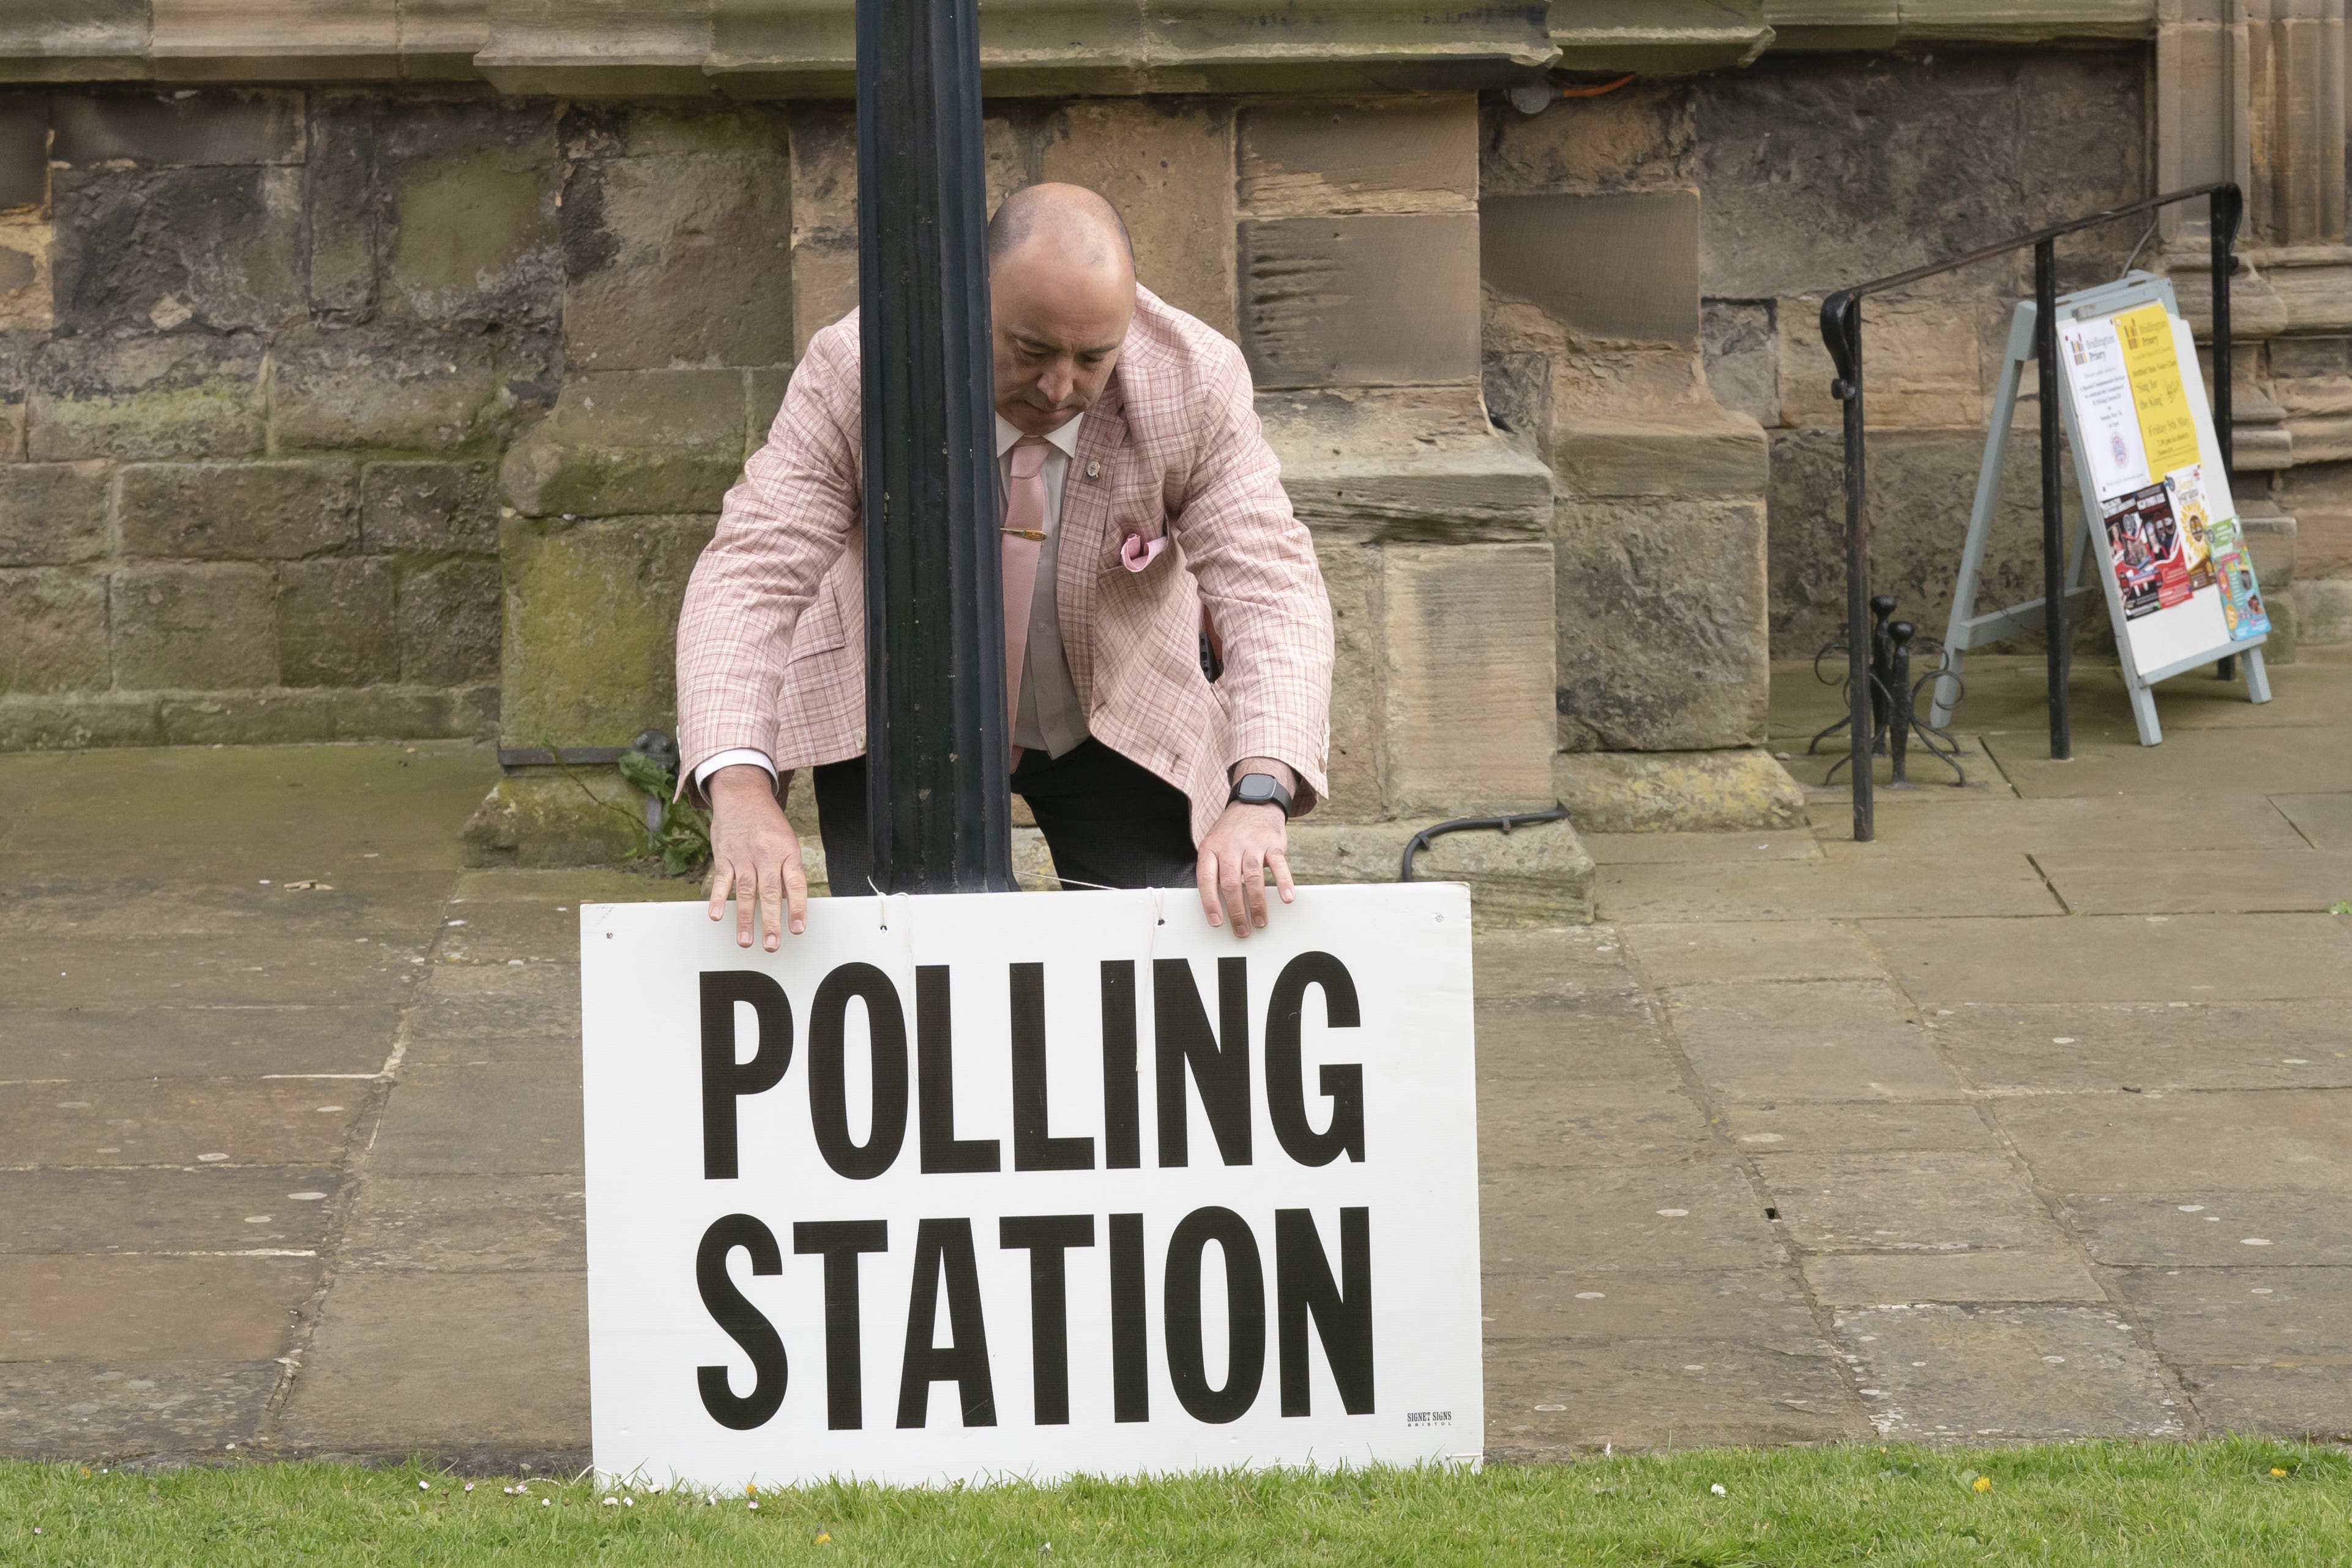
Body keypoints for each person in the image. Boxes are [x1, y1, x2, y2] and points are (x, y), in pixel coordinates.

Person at [673, 182, 1335, 951]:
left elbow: (1273, 586)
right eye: (1030, 351)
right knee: (913, 968)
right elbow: (753, 570)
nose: (1060, 388)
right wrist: (742, 788)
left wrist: (1260, 793)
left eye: (1093, 358)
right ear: (969, 302)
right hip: (899, 715)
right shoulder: (860, 369)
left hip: (1120, 711)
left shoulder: (1194, 379)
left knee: (1172, 963)